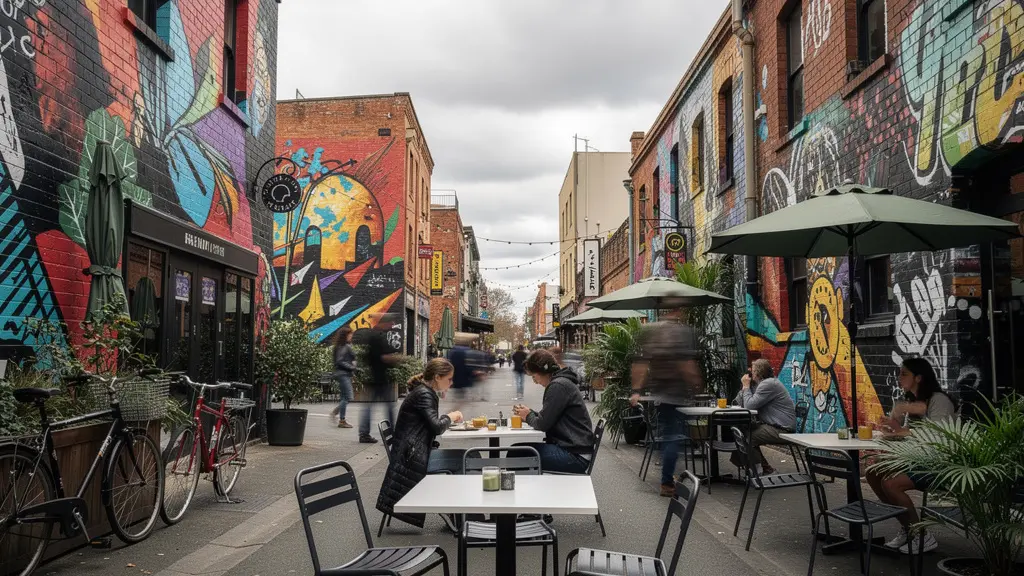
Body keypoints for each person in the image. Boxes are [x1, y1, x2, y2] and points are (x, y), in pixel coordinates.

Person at [866, 357, 956, 554]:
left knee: (891, 483)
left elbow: (938, 436)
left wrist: (899, 431)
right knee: (873, 471)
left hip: (939, 462)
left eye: (904, 374)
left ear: (918, 378)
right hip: (917, 458)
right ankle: (909, 529)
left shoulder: (938, 401)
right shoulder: (915, 402)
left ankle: (921, 535)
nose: (899, 378)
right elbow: (909, 434)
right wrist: (892, 432)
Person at [376, 358, 464, 529]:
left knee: (466, 456)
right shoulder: (424, 394)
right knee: (465, 459)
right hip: (412, 458)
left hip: (409, 453)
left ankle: (459, 513)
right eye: (449, 379)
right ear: (438, 377)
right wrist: (451, 417)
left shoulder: (423, 391)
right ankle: (461, 517)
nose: (451, 383)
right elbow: (437, 427)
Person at [630, 303, 703, 497]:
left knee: (668, 437)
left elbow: (640, 364)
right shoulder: (680, 333)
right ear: (678, 310)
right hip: (676, 394)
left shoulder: (653, 332)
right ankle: (667, 482)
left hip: (660, 396)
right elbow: (686, 364)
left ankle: (667, 476)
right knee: (673, 439)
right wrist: (696, 385)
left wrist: (636, 390)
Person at [512, 349, 595, 474]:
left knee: (516, 454)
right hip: (575, 449)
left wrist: (528, 415)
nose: (535, 382)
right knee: (518, 451)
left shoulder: (558, 386)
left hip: (574, 455)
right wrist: (530, 413)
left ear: (543, 372)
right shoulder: (561, 382)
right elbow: (548, 417)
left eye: (534, 377)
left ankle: (525, 491)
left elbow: (543, 424)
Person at [729, 358, 796, 475]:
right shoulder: (761, 385)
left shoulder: (769, 384)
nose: (750, 372)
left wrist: (746, 387)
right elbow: (738, 402)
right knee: (742, 432)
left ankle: (762, 470)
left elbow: (749, 406)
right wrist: (745, 388)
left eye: (753, 371)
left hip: (782, 429)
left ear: (759, 373)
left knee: (747, 436)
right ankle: (758, 467)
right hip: (773, 426)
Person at [358, 314, 401, 444]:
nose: (391, 326)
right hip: (379, 378)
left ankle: (364, 433)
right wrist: (398, 359)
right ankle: (391, 433)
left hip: (375, 377)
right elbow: (383, 357)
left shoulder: (373, 335)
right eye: (390, 323)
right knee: (388, 407)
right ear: (384, 323)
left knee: (370, 407)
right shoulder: (378, 337)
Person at [329, 327, 356, 429]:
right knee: (349, 397)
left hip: (343, 374)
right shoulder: (343, 346)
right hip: (343, 374)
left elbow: (349, 358)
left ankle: (342, 420)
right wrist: (352, 367)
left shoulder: (343, 346)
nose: (351, 336)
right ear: (345, 335)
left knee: (344, 397)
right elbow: (339, 361)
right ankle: (337, 414)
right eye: (350, 334)